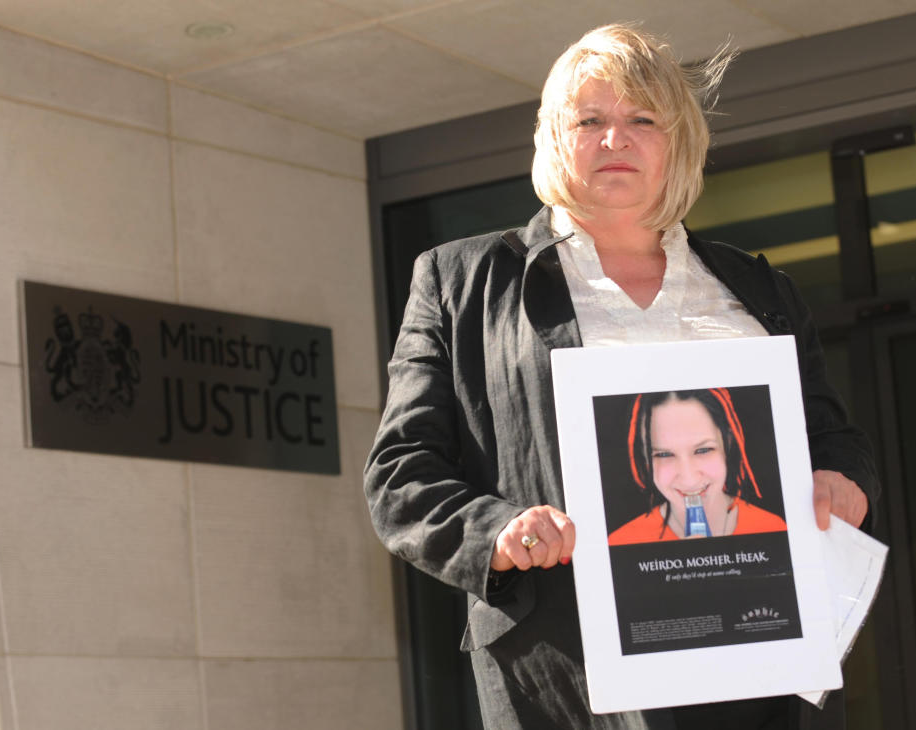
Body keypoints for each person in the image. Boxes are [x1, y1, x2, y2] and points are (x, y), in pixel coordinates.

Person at [365, 23, 879, 730]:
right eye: (590, 120)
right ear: (552, 138)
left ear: (679, 142)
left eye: (642, 119)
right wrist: (499, 532)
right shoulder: (460, 284)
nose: (616, 139)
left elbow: (834, 438)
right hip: (572, 670)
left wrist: (842, 481)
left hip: (761, 654)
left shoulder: (759, 288)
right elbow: (400, 475)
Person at [608, 388, 787, 545]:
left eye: (703, 450)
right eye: (663, 454)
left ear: (728, 444)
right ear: (645, 459)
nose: (689, 478)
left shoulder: (774, 529)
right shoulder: (621, 544)